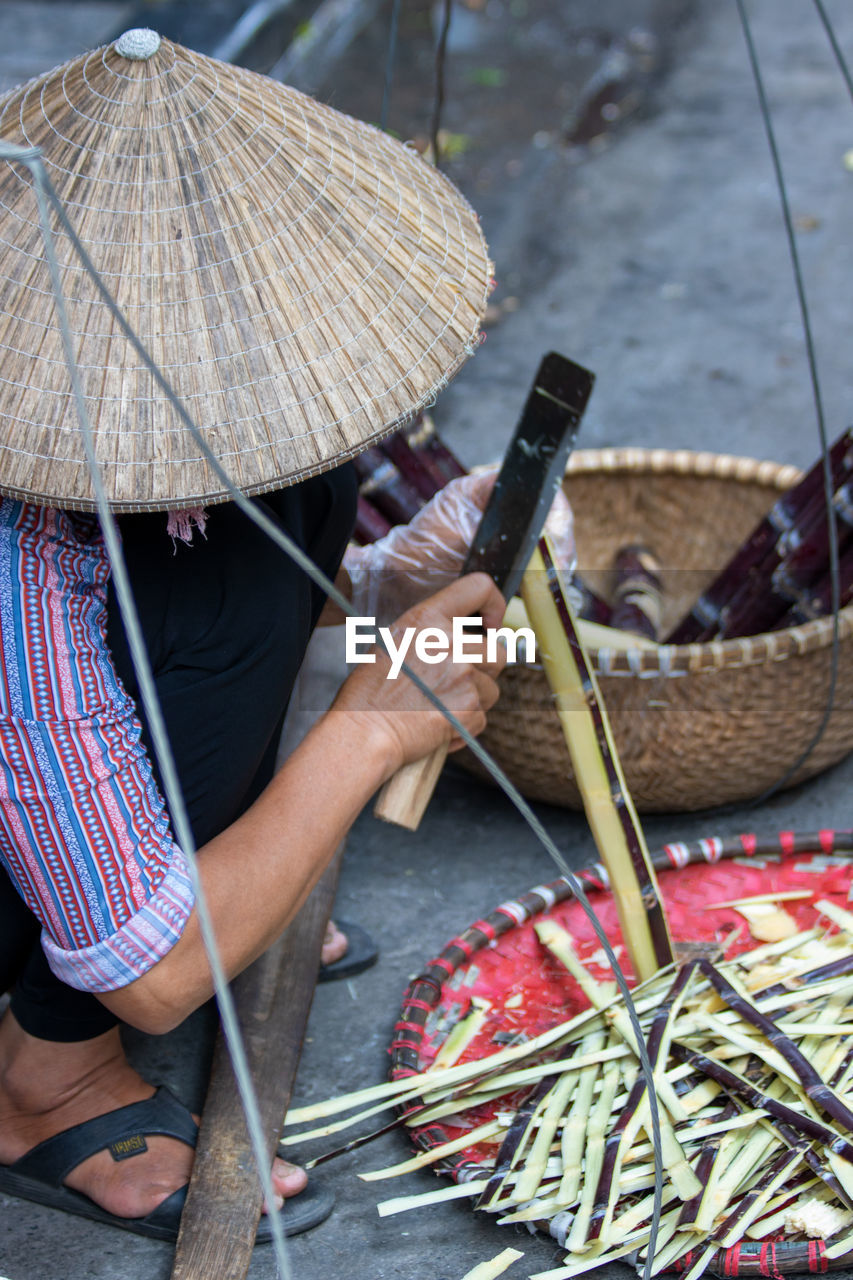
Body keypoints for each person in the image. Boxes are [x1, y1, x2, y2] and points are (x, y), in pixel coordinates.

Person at [0, 466, 509, 1238]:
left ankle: (219, 893)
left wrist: (392, 585)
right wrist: (371, 727)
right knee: (218, 595)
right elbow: (155, 973)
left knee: (279, 496)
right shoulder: (19, 568)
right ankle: (49, 1084)